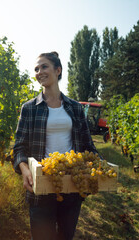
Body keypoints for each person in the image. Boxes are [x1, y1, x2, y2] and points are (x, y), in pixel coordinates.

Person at [13, 51, 100, 240]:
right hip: (41, 185)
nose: (39, 72)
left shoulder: (75, 108)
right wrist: (24, 169)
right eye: (36, 69)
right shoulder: (29, 108)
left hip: (71, 185)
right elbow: (19, 146)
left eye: (44, 66)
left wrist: (99, 166)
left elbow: (88, 145)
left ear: (58, 70)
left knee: (65, 237)